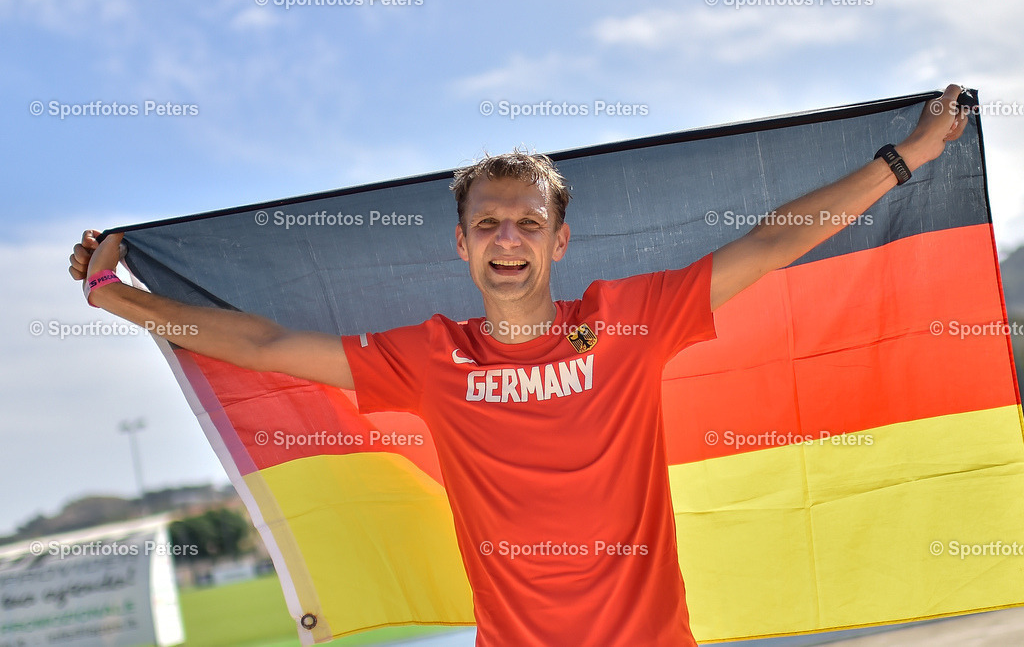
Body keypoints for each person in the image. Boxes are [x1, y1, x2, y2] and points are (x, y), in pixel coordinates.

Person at [70, 85, 970, 646]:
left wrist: (906, 157)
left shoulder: (629, 321)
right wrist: (120, 299)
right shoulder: (428, 357)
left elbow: (772, 244)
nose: (509, 238)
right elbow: (261, 345)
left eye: (528, 222)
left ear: (559, 239)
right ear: (463, 245)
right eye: (491, 224)